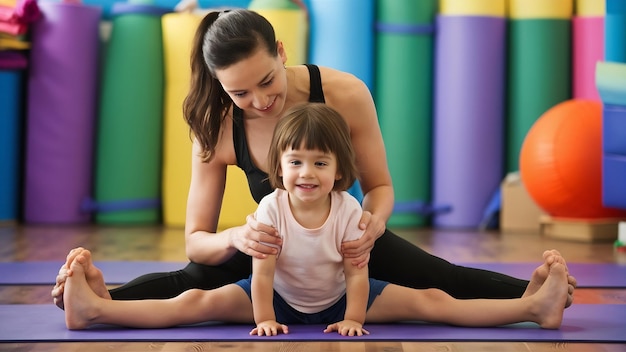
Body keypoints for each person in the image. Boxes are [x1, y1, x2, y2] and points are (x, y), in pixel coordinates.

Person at [52, 8, 576, 309]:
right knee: (190, 280)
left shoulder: (343, 93)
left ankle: (534, 292)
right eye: (240, 94)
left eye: (267, 81)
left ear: (281, 51)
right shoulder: (216, 126)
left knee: (440, 277)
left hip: (343, 238)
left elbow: (381, 186)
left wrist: (372, 223)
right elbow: (197, 240)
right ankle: (104, 298)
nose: (259, 102)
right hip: (272, 246)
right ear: (220, 86)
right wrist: (238, 237)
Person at [62, 103, 570, 335]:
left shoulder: (349, 210)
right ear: (278, 168)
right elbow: (259, 274)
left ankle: (533, 306)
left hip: (343, 301)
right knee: (192, 299)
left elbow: (357, 272)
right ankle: (96, 309)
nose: (307, 173)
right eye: (296, 162)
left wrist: (353, 317)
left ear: (339, 172)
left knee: (435, 300)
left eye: (321, 164)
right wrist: (264, 319)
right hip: (277, 299)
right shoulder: (270, 208)